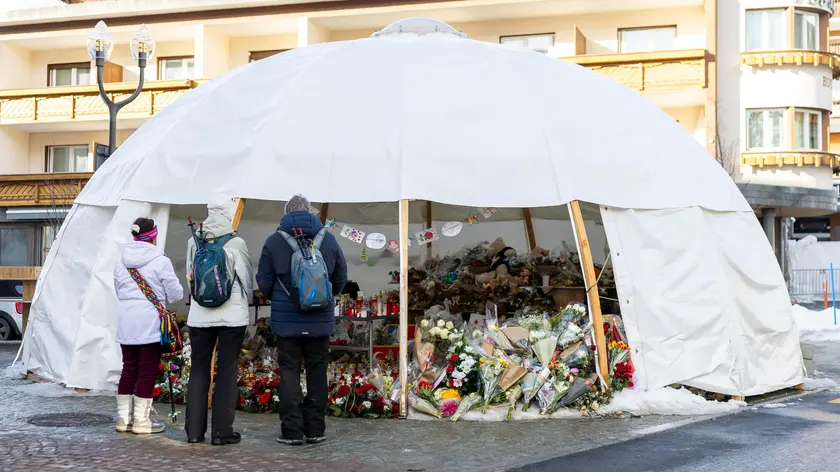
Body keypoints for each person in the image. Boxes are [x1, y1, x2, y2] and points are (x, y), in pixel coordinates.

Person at [257, 195, 347, 445]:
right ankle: (316, 428)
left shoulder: (274, 241)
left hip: (287, 322)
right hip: (320, 320)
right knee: (317, 371)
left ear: (286, 213)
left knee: (289, 372)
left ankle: (292, 430)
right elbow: (340, 277)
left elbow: (263, 282)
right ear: (310, 212)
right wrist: (324, 296)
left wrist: (282, 297)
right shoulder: (328, 239)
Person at [185, 194, 253, 445]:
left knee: (199, 369)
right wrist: (245, 302)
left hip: (199, 316)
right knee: (226, 370)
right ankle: (222, 433)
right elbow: (245, 279)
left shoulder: (194, 241)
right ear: (229, 212)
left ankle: (194, 432)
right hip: (232, 317)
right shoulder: (236, 242)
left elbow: (190, 277)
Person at [113, 217, 183, 435]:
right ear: (153, 236)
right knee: (147, 371)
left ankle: (123, 419)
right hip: (150, 321)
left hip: (126, 320)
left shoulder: (121, 261)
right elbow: (175, 295)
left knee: (128, 368)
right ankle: (141, 421)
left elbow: (118, 290)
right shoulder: (160, 261)